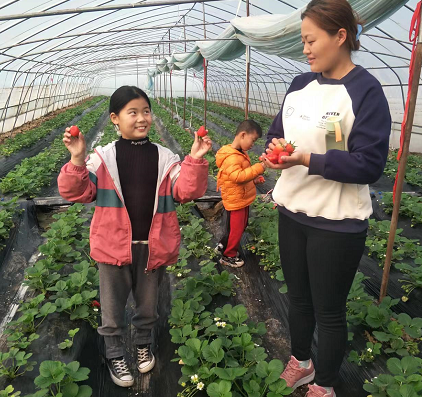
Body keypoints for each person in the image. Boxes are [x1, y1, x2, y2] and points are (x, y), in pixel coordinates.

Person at [262, 1, 391, 396]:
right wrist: (278, 151)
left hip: (336, 222)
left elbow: (368, 165)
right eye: (302, 41)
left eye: (311, 40)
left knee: (329, 311)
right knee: (298, 300)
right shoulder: (300, 86)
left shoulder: (365, 91)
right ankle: (301, 362)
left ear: (340, 37)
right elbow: (274, 136)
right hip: (293, 212)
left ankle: (326, 384)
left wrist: (307, 159)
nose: (305, 49)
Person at [57, 86, 212, 388]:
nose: (142, 118)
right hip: (114, 246)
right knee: (112, 310)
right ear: (114, 118)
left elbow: (186, 192)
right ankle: (115, 353)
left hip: (151, 246)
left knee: (146, 305)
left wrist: (194, 159)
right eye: (133, 112)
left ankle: (143, 345)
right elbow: (76, 191)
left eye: (146, 111)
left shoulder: (165, 157)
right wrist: (77, 158)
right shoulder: (102, 158)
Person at [215, 120, 266, 268]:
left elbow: (242, 177)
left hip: (241, 198)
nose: (253, 145)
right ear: (243, 135)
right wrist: (260, 167)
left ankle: (222, 245)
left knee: (238, 226)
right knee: (236, 229)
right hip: (235, 200)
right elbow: (238, 177)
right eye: (253, 140)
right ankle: (228, 256)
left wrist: (254, 180)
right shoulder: (231, 157)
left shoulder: (240, 153)